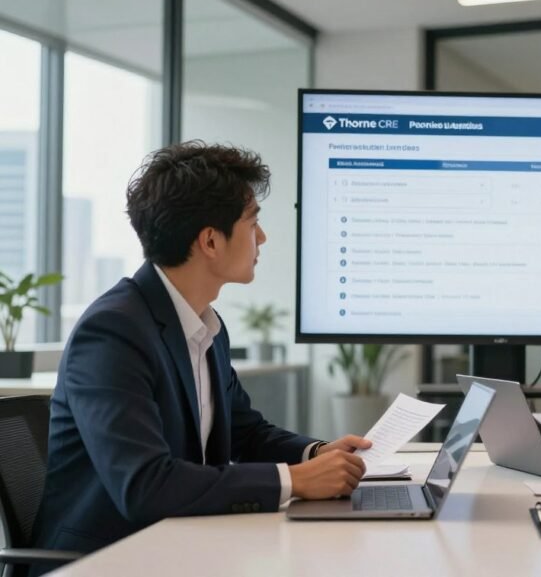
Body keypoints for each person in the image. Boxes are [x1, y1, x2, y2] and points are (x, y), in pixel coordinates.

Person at [32, 142, 372, 560]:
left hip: (179, 545)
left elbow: (246, 432)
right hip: (109, 560)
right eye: (253, 223)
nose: (262, 237)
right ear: (210, 241)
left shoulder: (203, 325)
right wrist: (295, 480)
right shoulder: (113, 332)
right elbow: (144, 485)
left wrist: (317, 453)